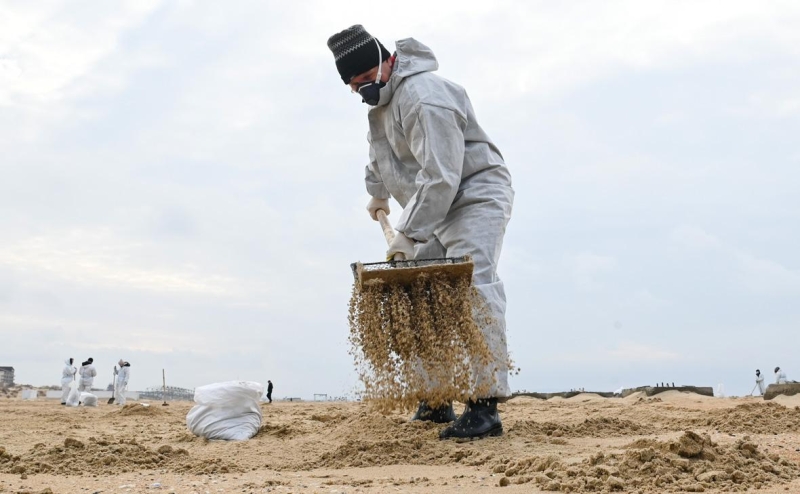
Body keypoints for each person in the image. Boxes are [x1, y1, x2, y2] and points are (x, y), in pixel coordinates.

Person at [327, 25, 514, 440]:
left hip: (472, 194)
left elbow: (443, 174)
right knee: (420, 295)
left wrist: (408, 233)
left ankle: (484, 405)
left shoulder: (424, 96)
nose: (362, 90)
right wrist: (377, 194)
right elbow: (379, 154)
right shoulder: (381, 106)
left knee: (473, 286)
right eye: (354, 86)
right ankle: (435, 398)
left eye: (365, 79)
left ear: (386, 61)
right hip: (428, 204)